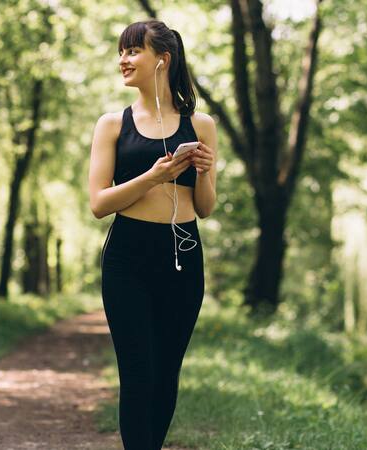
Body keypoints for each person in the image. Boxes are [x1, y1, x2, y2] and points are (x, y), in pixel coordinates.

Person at [88, 20, 218, 449]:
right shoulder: (112, 124)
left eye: (132, 51)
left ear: (162, 60)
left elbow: (205, 207)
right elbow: (99, 204)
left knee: (166, 371)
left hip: (182, 252)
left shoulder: (201, 125)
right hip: (127, 256)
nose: (123, 59)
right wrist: (153, 176)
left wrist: (201, 172)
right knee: (138, 371)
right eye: (121, 51)